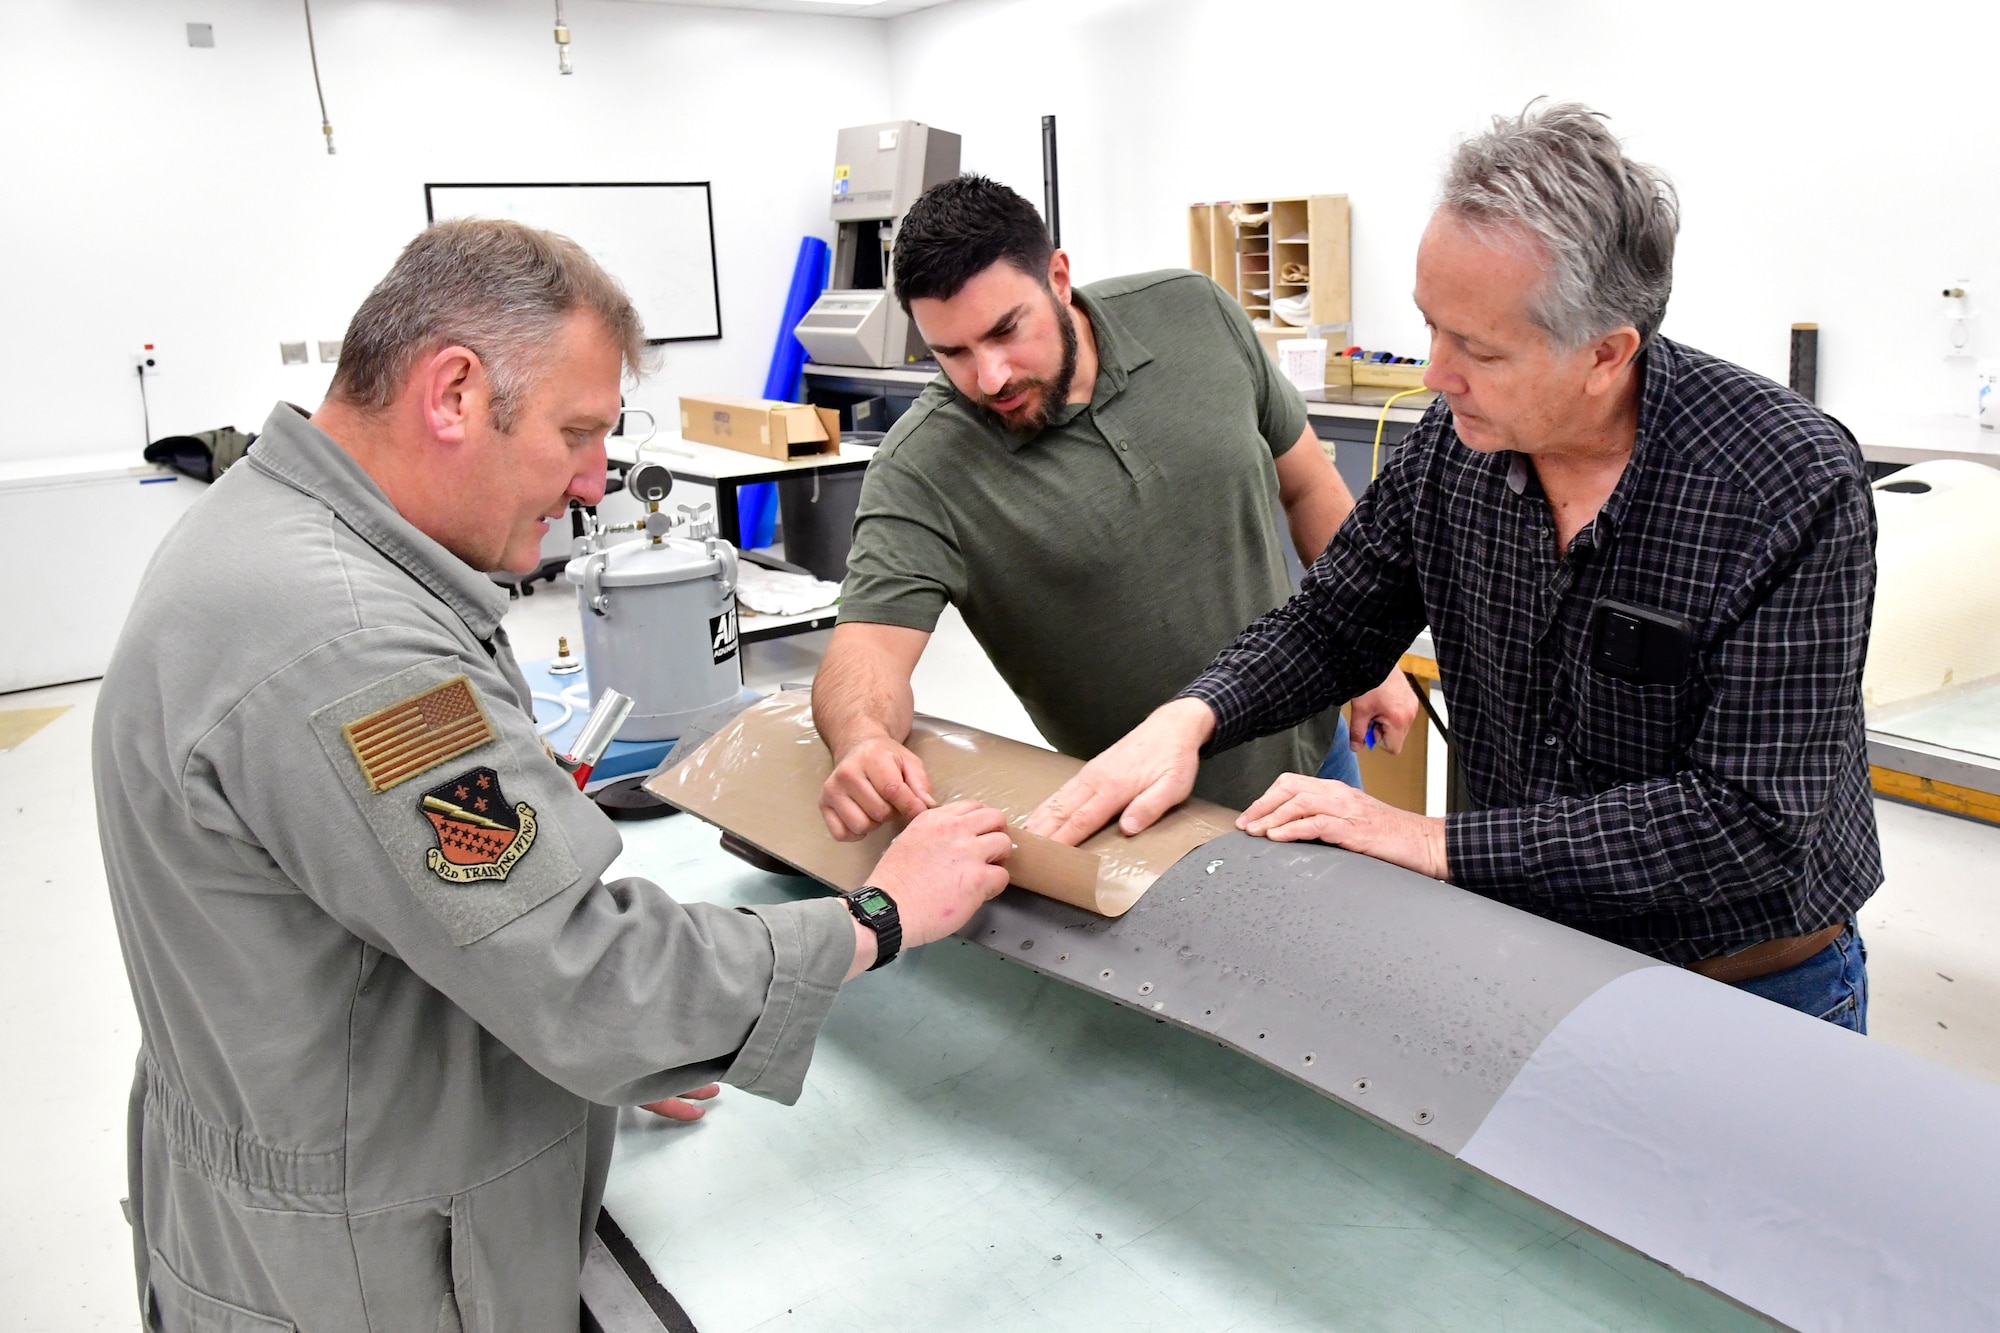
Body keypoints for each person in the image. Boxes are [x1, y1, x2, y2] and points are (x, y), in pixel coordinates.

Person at [93, 219, 1014, 1331]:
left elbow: (397, 913)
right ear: (453, 394)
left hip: (296, 1167)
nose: (592, 483)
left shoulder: (267, 528)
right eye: (578, 433)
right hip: (360, 1269)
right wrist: (876, 916)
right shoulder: (351, 648)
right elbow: (583, 972)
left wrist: (578, 1057)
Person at [1028, 103, 1880, 1029]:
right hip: (1528, 960)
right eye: (1432, 326)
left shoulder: (1788, 484)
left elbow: (1743, 823)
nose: (1435, 374)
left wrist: (1430, 841)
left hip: (1748, 989)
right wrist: (1194, 715)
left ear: (1606, 353)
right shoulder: (1452, 449)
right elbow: (1333, 624)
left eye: (1477, 348)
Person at [813, 174, 1420, 841]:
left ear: (1058, 276)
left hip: (1315, 759)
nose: (989, 377)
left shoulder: (1195, 315)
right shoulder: (923, 468)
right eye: (951, 353)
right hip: (1147, 820)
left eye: (1007, 330)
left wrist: (1371, 651)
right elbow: (866, 648)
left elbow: (1307, 485)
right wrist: (863, 739)